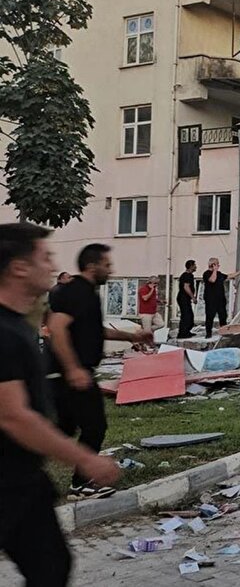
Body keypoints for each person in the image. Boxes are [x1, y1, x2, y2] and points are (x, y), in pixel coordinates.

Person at [0, 223, 120, 587]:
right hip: (6, 481)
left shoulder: (18, 324)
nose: (53, 265)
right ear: (19, 268)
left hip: (23, 477)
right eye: (45, 257)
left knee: (52, 566)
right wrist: (86, 460)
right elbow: (13, 416)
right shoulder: (4, 333)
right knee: (49, 568)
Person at [46, 244, 149, 497]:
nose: (110, 270)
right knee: (94, 426)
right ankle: (80, 483)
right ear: (92, 266)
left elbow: (95, 330)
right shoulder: (76, 291)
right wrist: (73, 369)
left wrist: (133, 336)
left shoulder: (88, 294)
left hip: (72, 374)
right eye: (106, 265)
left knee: (62, 429)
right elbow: (56, 328)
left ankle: (16, 465)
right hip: (71, 374)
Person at [201, 257, 240, 338]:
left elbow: (228, 276)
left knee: (223, 316)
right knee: (210, 317)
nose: (219, 265)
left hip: (220, 300)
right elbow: (212, 280)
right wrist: (215, 270)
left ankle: (224, 332)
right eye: (217, 264)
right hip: (211, 300)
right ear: (213, 265)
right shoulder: (206, 274)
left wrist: (239, 272)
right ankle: (208, 333)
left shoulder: (219, 274)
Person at [176, 260, 197, 339]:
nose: (196, 267)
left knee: (189, 315)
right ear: (191, 266)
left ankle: (186, 331)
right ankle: (182, 333)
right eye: (194, 265)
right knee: (186, 316)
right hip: (183, 298)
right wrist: (193, 297)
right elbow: (186, 287)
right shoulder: (187, 275)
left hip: (185, 298)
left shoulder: (189, 275)